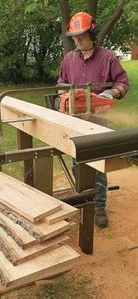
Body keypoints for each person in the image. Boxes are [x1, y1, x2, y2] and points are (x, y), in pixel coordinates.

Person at [57, 12, 129, 228]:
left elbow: (122, 83)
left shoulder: (108, 58)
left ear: (92, 33)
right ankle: (81, 198)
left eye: (81, 35)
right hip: (74, 119)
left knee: (97, 166)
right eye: (74, 36)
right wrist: (64, 95)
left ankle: (98, 206)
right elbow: (61, 82)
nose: (77, 40)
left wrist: (111, 93)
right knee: (77, 162)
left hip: (99, 120)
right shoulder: (69, 59)